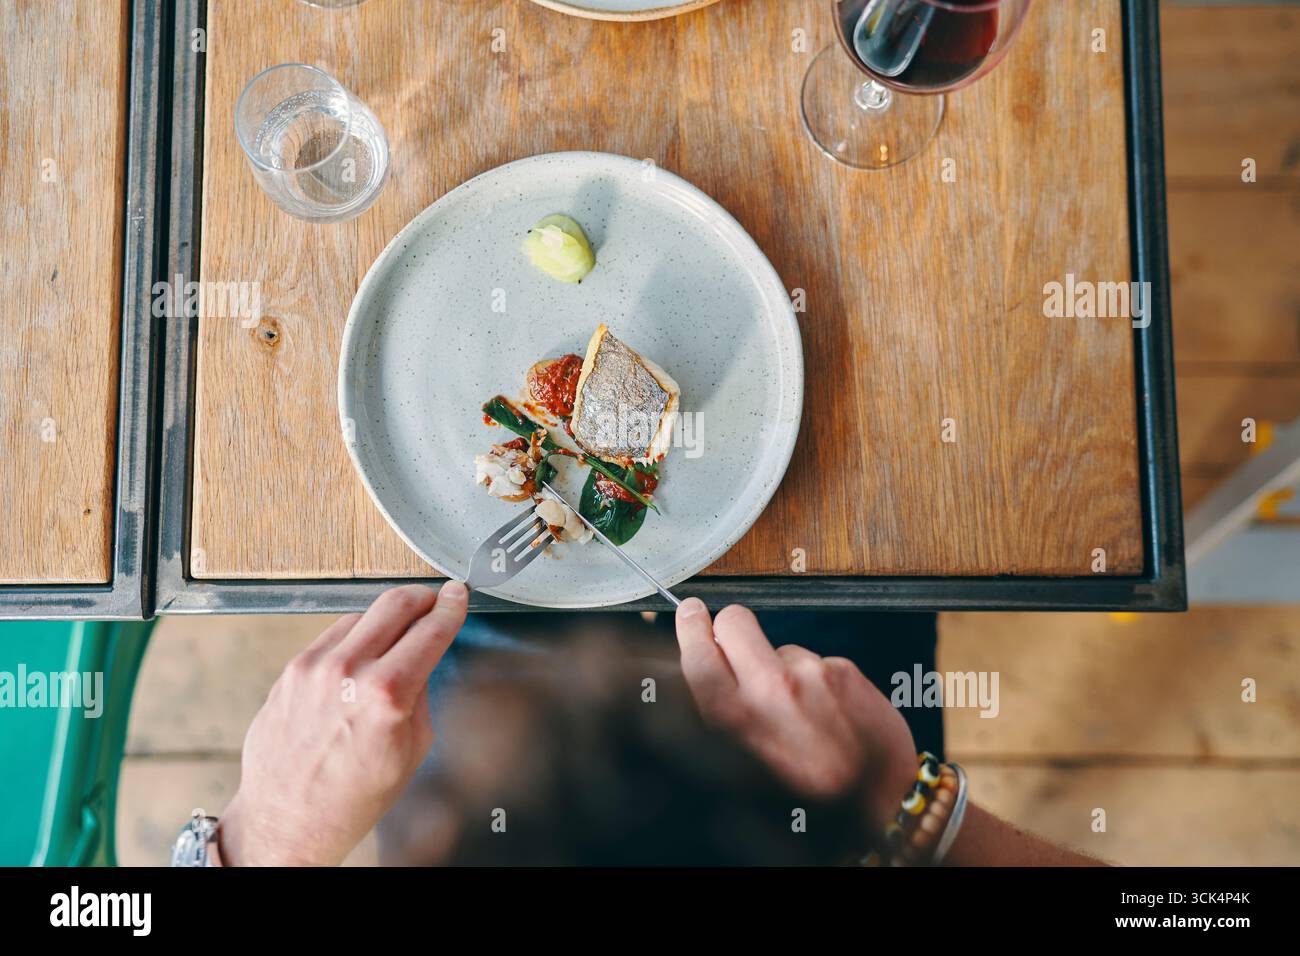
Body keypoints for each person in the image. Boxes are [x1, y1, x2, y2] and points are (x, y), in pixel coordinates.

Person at [209, 583, 1100, 866]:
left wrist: (267, 839)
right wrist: (908, 813)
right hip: (796, 813)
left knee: (471, 610)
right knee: (845, 598)